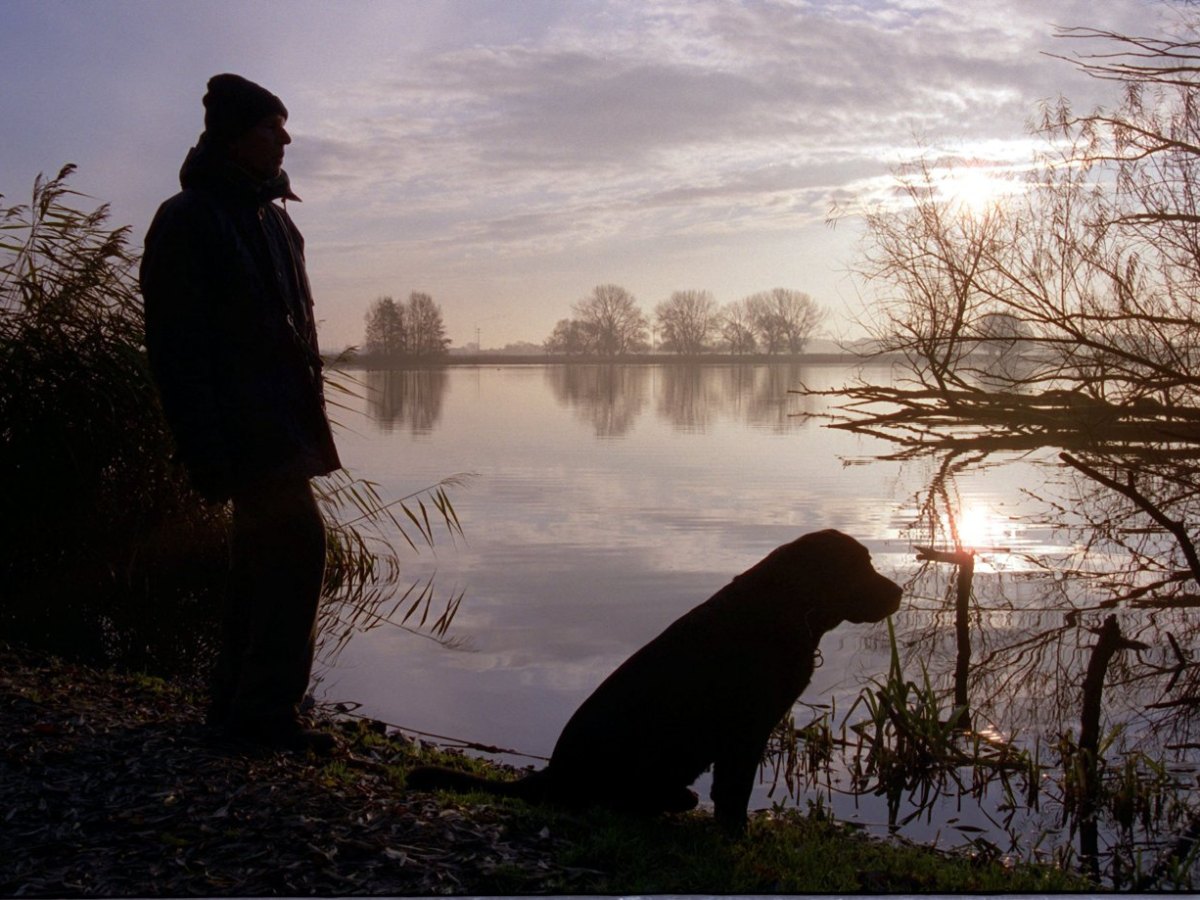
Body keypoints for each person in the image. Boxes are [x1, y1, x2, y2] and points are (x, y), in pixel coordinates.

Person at [140, 74, 341, 754]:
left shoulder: (278, 222)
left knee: (260, 562)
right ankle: (262, 716)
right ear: (233, 135)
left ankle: (233, 706)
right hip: (243, 432)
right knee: (298, 551)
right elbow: (177, 347)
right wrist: (204, 447)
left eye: (284, 127)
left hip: (285, 429)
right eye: (270, 128)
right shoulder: (189, 219)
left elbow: (296, 337)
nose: (285, 139)